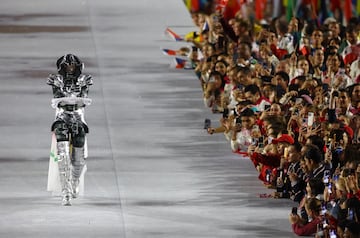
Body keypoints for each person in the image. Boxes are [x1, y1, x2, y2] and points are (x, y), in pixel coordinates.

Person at [47, 54, 93, 205]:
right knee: (63, 155)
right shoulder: (56, 80)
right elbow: (57, 97)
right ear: (62, 67)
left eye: (73, 66)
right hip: (61, 118)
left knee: (78, 160)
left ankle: (74, 183)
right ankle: (65, 190)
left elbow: (84, 99)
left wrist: (76, 98)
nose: (70, 69)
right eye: (67, 66)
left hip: (78, 119)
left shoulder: (84, 80)